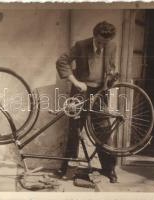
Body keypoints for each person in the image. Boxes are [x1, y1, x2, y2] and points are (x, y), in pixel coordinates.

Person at [56, 21, 118, 183]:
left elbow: (110, 68)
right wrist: (76, 82)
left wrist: (112, 75)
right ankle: (68, 169)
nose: (102, 46)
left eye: (106, 43)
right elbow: (62, 61)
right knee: (75, 131)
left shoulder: (112, 46)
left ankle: (109, 169)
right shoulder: (81, 45)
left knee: (104, 131)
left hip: (100, 93)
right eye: (99, 42)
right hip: (81, 92)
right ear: (94, 35)